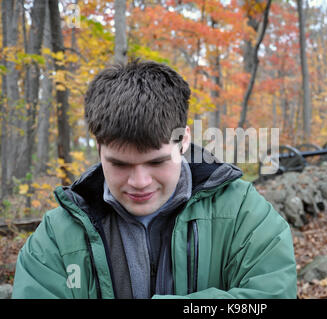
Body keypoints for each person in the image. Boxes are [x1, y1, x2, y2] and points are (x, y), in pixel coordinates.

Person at [12, 60, 297, 299]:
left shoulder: (242, 212)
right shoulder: (57, 236)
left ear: (184, 140)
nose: (139, 182)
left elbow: (271, 294)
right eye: (120, 164)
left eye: (157, 161)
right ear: (99, 149)